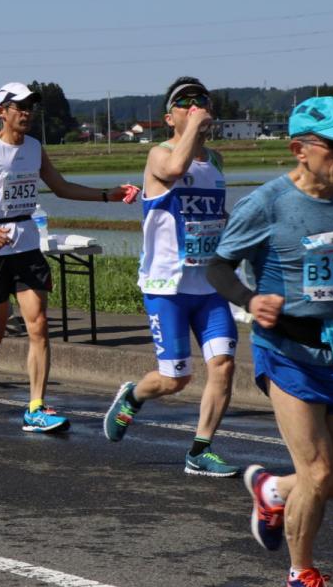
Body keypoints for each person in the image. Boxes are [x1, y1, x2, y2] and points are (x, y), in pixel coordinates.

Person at [206, 96, 333, 587]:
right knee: (318, 471)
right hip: (286, 350)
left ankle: (272, 489)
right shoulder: (267, 203)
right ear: (299, 149)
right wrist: (249, 298)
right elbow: (217, 266)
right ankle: (301, 571)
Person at [0, 81, 136, 432]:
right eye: (19, 106)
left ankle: (35, 407)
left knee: (40, 326)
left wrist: (109, 195)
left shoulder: (34, 147)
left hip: (27, 244)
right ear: (2, 111)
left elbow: (61, 187)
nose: (27, 112)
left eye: (31, 106)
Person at [102, 77, 240, 476]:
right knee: (174, 379)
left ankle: (200, 450)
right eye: (185, 102)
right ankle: (133, 396)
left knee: (224, 365)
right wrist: (195, 125)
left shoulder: (214, 161)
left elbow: (216, 214)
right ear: (169, 118)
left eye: (202, 100)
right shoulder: (158, 156)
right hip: (167, 286)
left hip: (209, 285)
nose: (195, 106)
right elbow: (178, 167)